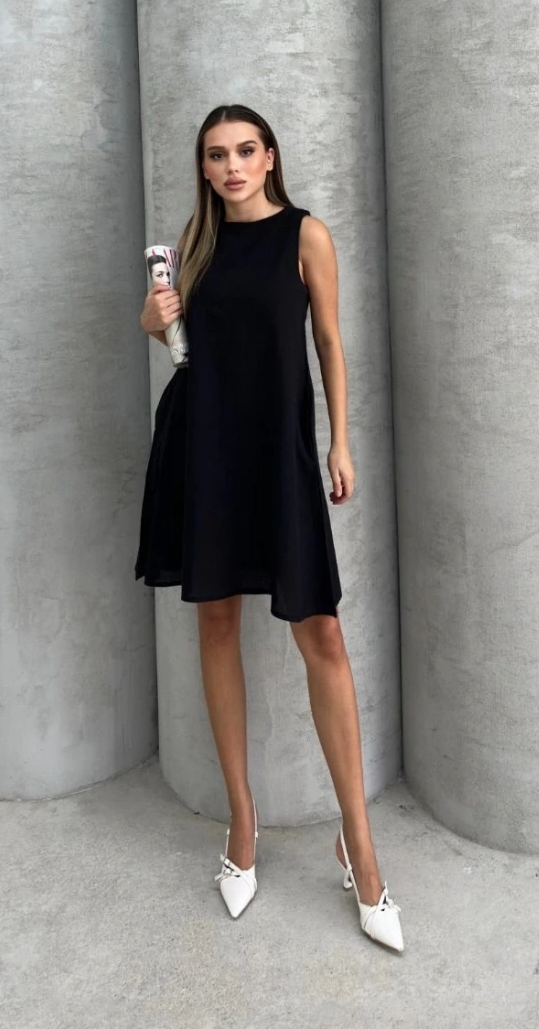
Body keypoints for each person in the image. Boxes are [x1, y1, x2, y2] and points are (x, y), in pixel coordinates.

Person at [136, 103, 403, 953]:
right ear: (204, 167)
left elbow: (328, 342)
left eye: (245, 150)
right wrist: (154, 320)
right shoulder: (195, 241)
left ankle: (358, 845)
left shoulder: (305, 234)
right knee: (216, 621)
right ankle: (242, 823)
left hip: (277, 451)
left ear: (270, 157)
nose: (232, 166)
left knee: (322, 632)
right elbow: (173, 338)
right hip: (204, 448)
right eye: (217, 155)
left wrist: (340, 441)